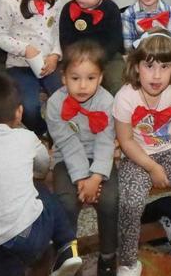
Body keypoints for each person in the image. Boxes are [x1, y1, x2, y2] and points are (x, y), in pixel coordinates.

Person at [0, 72, 83, 276]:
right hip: (28, 236)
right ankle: (67, 246)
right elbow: (42, 167)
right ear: (19, 113)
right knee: (41, 191)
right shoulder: (25, 137)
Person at [113, 30, 171, 276]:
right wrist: (152, 168)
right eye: (149, 66)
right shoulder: (125, 97)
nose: (156, 75)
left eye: (165, 67)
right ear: (135, 66)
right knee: (130, 203)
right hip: (136, 154)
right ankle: (129, 261)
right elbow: (125, 140)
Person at [43, 42, 120, 276]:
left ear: (101, 77)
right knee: (66, 202)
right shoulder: (55, 103)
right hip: (66, 160)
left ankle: (108, 255)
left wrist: (96, 177)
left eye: (90, 78)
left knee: (110, 200)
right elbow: (67, 143)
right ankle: (68, 256)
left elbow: (106, 142)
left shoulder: (107, 101)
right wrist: (81, 180)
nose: (83, 85)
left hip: (100, 158)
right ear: (63, 78)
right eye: (75, 78)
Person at [0, 0, 62, 135]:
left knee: (63, 100)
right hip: (20, 66)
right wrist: (25, 49)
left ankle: (59, 136)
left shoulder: (54, 0)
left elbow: (56, 32)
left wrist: (55, 55)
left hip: (49, 64)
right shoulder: (10, 3)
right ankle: (43, 134)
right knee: (29, 108)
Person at [58, 0, 124, 93]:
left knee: (118, 83)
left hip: (108, 58)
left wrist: (96, 61)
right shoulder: (68, 9)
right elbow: (66, 42)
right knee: (73, 85)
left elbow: (114, 42)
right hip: (76, 58)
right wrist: (82, 61)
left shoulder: (112, 9)